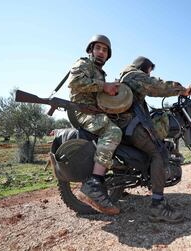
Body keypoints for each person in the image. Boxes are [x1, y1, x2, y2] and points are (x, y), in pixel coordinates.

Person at [115, 56, 191, 223]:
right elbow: (156, 86)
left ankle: (122, 186)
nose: (150, 73)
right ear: (144, 67)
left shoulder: (125, 78)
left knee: (153, 147)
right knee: (159, 152)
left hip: (125, 125)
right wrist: (181, 90)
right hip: (131, 126)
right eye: (149, 70)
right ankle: (157, 206)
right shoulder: (133, 76)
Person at [67, 35, 121, 215]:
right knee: (112, 131)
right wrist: (103, 86)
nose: (101, 52)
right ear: (91, 50)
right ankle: (94, 184)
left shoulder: (99, 72)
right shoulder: (83, 63)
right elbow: (74, 82)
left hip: (96, 112)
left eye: (105, 50)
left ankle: (117, 182)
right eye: (98, 48)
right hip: (83, 112)